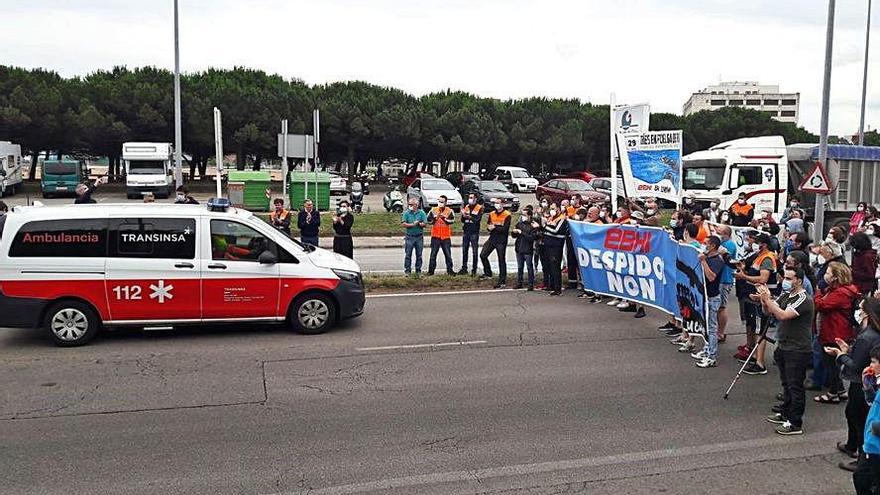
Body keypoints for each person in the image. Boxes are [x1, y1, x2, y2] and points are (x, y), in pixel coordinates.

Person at [758, 267, 814, 435]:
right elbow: (769, 311)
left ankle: (795, 422)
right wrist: (764, 300)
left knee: (795, 385)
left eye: (789, 278)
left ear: (798, 280)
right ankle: (785, 412)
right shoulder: (786, 295)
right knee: (786, 383)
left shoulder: (804, 299)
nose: (785, 281)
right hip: (783, 345)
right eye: (784, 278)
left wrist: (768, 300)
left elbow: (782, 315)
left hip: (797, 349)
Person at [826, 298, 880, 472]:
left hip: (860, 381)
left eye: (861, 308)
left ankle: (860, 454)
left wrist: (840, 355)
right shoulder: (870, 333)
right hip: (866, 378)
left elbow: (856, 364)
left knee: (859, 417)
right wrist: (848, 350)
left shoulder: (867, 335)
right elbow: (862, 355)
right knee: (852, 413)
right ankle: (851, 444)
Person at [814, 262, 860, 404]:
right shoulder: (842, 290)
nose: (825, 275)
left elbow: (823, 305)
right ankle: (840, 389)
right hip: (838, 329)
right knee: (834, 363)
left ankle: (833, 393)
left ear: (835, 277)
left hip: (834, 332)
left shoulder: (840, 293)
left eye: (828, 273)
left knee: (831, 365)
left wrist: (817, 294)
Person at [734, 232, 778, 375]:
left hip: (762, 299)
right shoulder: (758, 256)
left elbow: (763, 278)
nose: (751, 243)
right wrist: (744, 269)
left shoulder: (767, 258)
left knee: (761, 330)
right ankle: (754, 355)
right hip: (754, 296)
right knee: (753, 325)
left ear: (763, 244)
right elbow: (754, 273)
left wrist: (744, 276)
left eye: (754, 241)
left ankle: (760, 363)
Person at [693, 235, 726, 368]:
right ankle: (707, 350)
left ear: (712, 246)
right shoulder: (708, 257)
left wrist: (703, 262)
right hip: (705, 297)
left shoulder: (717, 260)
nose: (703, 245)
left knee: (712, 328)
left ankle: (712, 357)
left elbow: (711, 277)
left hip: (712, 298)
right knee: (705, 326)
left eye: (706, 243)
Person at [853, 345, 880, 494]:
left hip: (876, 445)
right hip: (871, 444)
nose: (871, 365)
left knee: (863, 479)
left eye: (874, 361)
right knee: (862, 478)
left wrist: (875, 428)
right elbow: (872, 402)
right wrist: (867, 386)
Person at [480, 198, 512, 288]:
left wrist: (495, 227)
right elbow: (489, 225)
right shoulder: (492, 213)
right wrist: (489, 228)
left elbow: (505, 229)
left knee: (501, 260)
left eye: (498, 203)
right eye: (495, 203)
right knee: (483, 255)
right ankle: (488, 273)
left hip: (501, 240)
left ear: (503, 204)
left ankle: (502, 281)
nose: (496, 204)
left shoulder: (507, 215)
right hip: (492, 238)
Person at [716, 225, 738, 343]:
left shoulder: (729, 245)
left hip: (725, 279)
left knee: (721, 307)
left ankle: (721, 333)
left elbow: (724, 259)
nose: (717, 234)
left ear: (725, 234)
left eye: (719, 232)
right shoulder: (723, 244)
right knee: (717, 306)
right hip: (719, 279)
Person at [541, 202, 568, 296]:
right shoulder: (551, 218)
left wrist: (545, 226)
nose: (551, 210)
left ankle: (557, 288)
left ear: (558, 209)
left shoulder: (562, 219)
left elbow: (556, 231)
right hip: (548, 245)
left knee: (555, 267)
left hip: (556, 246)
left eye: (553, 208)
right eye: (551, 208)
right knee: (550, 267)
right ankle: (552, 287)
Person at [427, 195, 456, 276]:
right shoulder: (433, 210)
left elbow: (452, 220)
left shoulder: (449, 211)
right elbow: (428, 220)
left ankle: (450, 271)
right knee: (433, 255)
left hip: (445, 237)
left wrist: (444, 219)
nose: (440, 203)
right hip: (435, 236)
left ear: (446, 202)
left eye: (442, 201)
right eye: (439, 201)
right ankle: (430, 272)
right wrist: (434, 219)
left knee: (448, 255)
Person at [459, 193, 483, 276]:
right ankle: (464, 268)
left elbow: (477, 220)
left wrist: (470, 217)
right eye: (469, 197)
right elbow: (462, 220)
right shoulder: (466, 207)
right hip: (466, 231)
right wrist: (463, 216)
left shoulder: (479, 208)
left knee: (474, 252)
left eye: (472, 198)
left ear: (475, 199)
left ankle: (474, 270)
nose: (470, 199)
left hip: (474, 232)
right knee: (464, 250)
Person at [512, 205, 536, 290]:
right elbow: (514, 236)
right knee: (520, 267)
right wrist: (514, 232)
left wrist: (521, 232)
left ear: (529, 216)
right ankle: (519, 282)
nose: (523, 217)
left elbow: (531, 238)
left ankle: (531, 284)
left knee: (529, 267)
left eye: (525, 215)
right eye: (522, 215)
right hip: (519, 248)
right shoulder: (519, 224)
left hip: (528, 249)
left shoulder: (532, 226)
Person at [401, 198, 427, 275]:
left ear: (417, 205)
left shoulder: (421, 213)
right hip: (409, 236)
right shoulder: (406, 213)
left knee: (419, 255)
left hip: (419, 236)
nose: (410, 206)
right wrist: (412, 224)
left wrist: (420, 224)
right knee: (408, 254)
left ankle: (418, 270)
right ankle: (407, 271)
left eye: (412, 205)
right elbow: (403, 224)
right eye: (409, 204)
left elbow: (425, 224)